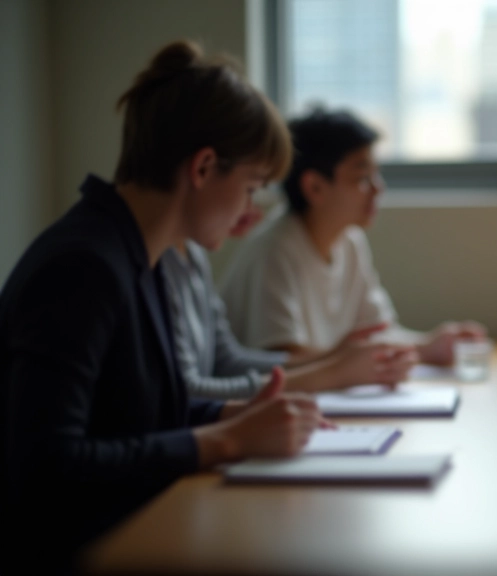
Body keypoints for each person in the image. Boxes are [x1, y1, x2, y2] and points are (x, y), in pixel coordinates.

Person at [0, 41, 326, 571]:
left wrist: (237, 415)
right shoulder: (84, 267)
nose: (251, 210)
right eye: (250, 188)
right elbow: (47, 469)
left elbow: (133, 414)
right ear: (202, 168)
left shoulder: (137, 253)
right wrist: (224, 441)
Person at [220, 108, 486, 366]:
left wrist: (429, 346)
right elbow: (281, 359)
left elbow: (378, 332)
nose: (377, 188)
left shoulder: (349, 241)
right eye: (362, 177)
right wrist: (347, 363)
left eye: (376, 174)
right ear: (314, 187)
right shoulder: (275, 250)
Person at [161, 208, 417, 400]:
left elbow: (227, 361)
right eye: (249, 188)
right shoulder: (275, 245)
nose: (253, 211)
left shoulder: (192, 253)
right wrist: (333, 372)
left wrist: (336, 357)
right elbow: (185, 396)